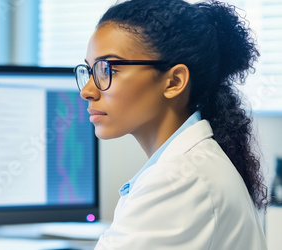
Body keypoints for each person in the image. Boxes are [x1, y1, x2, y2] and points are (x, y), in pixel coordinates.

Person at [74, 0, 268, 249]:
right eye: (89, 71)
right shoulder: (188, 167)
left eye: (107, 69)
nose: (87, 91)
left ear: (174, 81)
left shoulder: (179, 180)